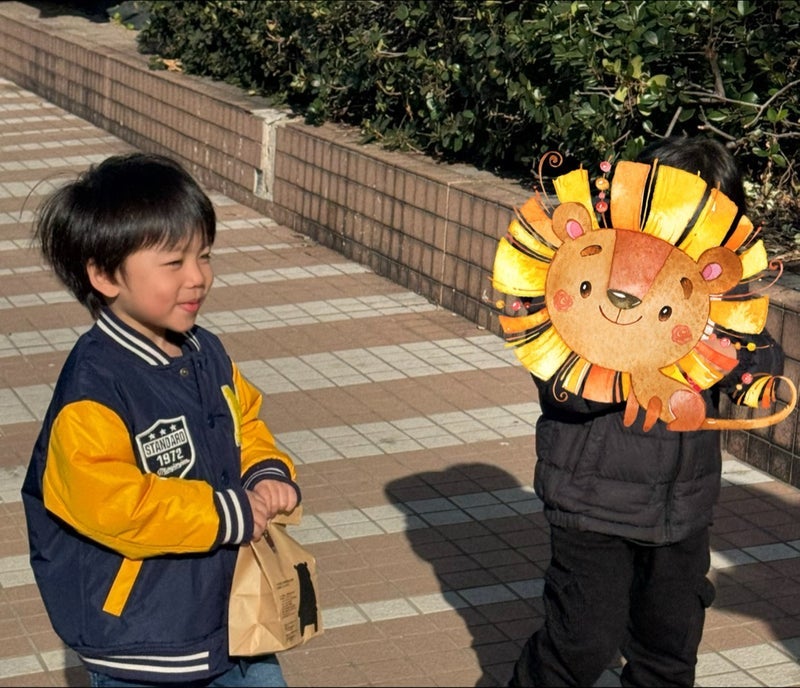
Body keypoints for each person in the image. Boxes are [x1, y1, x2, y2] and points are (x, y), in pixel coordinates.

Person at [506, 136, 785, 687]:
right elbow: (558, 382)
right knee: (581, 643)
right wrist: (636, 368)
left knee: (669, 650)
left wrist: (747, 369)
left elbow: (755, 359)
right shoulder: (590, 282)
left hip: (683, 509)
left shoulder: (719, 301)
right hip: (594, 503)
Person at [21, 153, 301, 687]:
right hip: (143, 639)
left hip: (231, 618)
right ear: (105, 275)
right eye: (174, 263)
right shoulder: (94, 387)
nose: (198, 277)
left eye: (205, 255)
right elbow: (110, 502)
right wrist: (225, 513)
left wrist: (264, 471)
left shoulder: (204, 351)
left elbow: (244, 421)